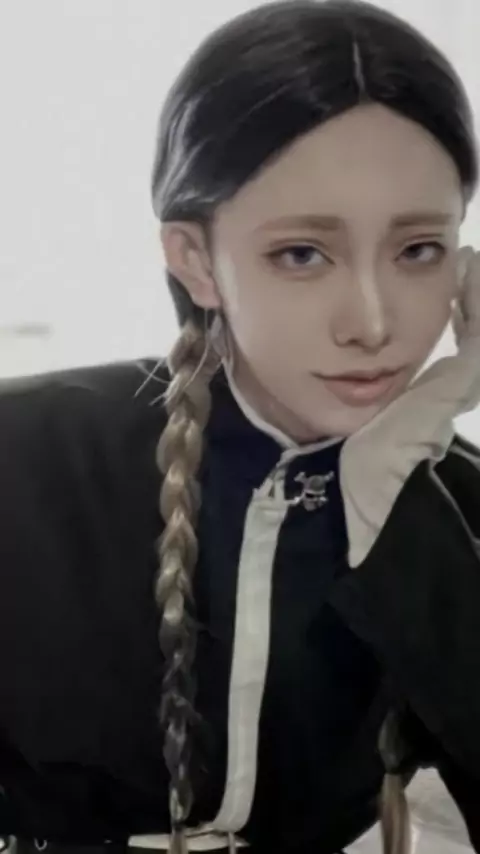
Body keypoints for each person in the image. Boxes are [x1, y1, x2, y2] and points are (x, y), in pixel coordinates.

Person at [1, 2, 480, 854]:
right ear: (196, 260)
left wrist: (395, 514)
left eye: (418, 251)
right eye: (302, 254)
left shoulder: (456, 510)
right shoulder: (26, 458)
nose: (373, 324)